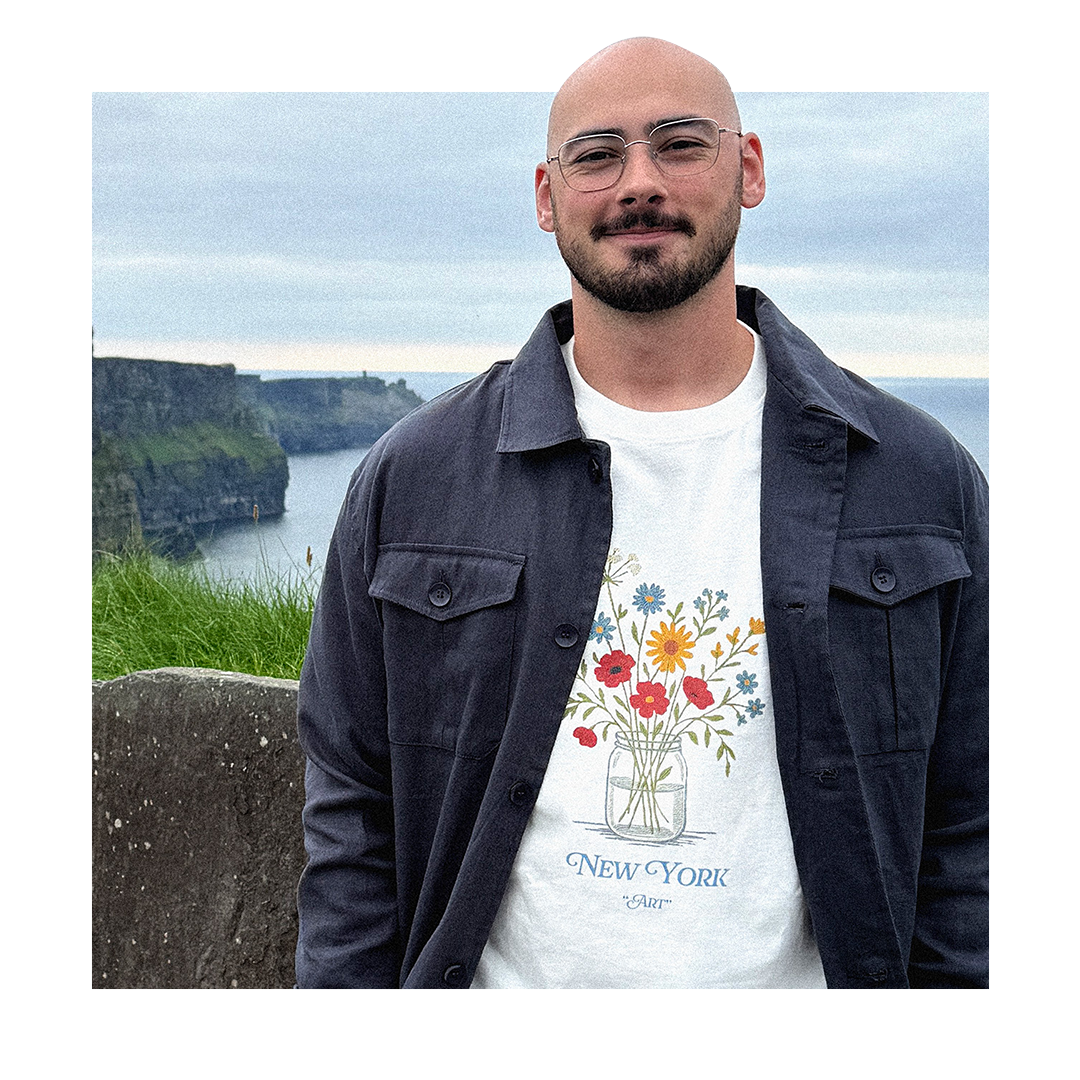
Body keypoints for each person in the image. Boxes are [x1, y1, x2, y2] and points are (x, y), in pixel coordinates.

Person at [295, 38, 988, 989]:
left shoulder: (919, 478)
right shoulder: (413, 479)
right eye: (597, 154)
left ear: (747, 170)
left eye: (679, 144)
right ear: (546, 195)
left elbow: (969, 820)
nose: (639, 183)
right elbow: (352, 809)